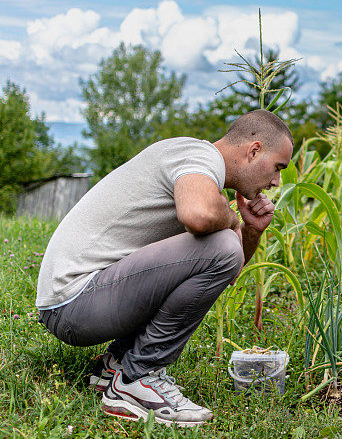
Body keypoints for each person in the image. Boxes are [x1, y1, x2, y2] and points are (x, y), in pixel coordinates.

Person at [36, 109, 293, 427]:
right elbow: (200, 218)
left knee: (223, 249)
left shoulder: (198, 173)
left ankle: (115, 365)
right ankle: (137, 378)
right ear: (254, 150)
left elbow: (226, 271)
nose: (276, 181)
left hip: (73, 303)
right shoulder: (198, 157)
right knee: (223, 245)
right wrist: (231, 222)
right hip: (75, 302)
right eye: (277, 167)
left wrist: (250, 230)